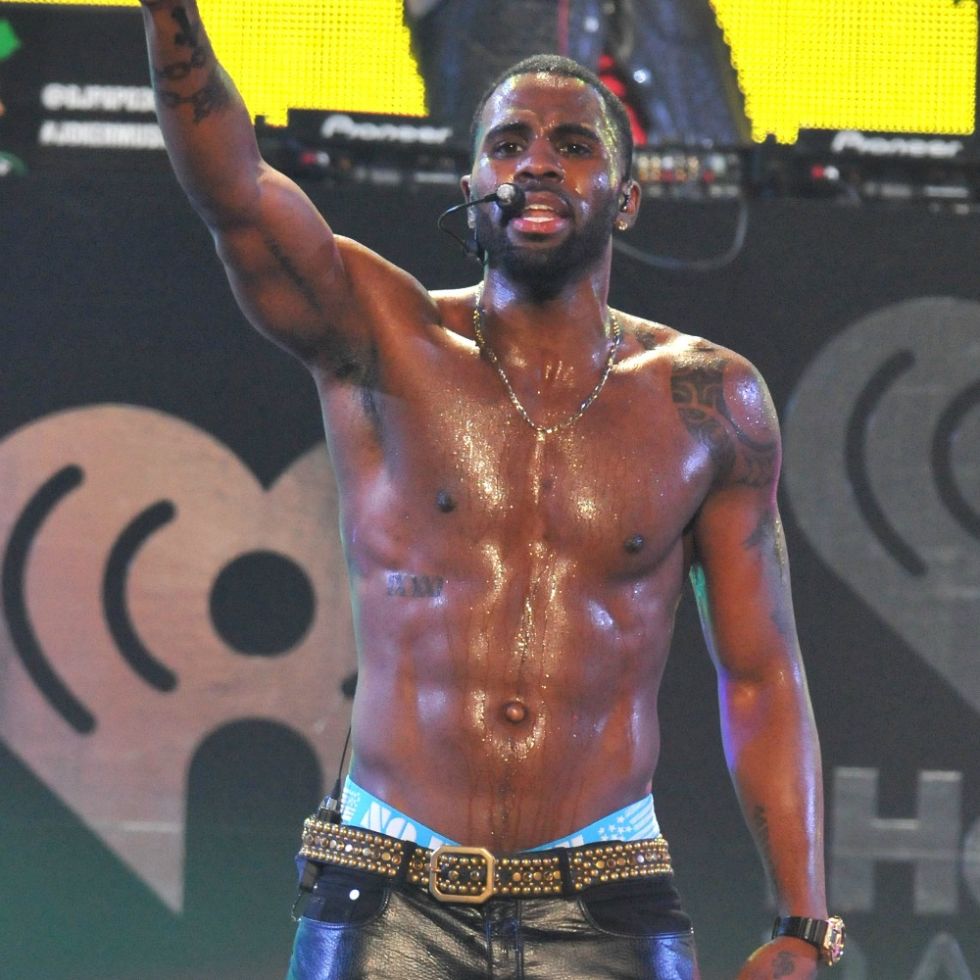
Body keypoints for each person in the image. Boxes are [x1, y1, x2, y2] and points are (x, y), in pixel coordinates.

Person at [137, 3, 842, 977]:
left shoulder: (710, 401)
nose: (535, 163)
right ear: (470, 189)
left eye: (572, 145)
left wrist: (803, 920)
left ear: (627, 198)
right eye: (507, 145)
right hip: (385, 889)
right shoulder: (381, 340)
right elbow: (237, 195)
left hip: (607, 895)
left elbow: (760, 673)